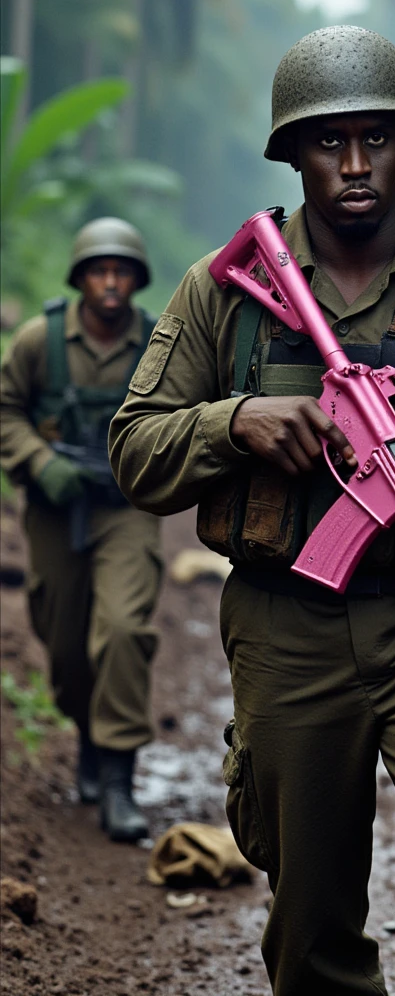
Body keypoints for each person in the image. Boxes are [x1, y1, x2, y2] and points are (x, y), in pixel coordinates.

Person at [109, 25, 395, 996]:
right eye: (329, 141)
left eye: (376, 137)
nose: (357, 163)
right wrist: (235, 421)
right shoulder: (224, 291)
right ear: (292, 153)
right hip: (288, 622)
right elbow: (135, 450)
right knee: (310, 905)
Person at [0, 218, 161, 841]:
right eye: (100, 270)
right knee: (64, 642)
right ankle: (90, 736)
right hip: (52, 508)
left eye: (122, 271)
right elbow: (7, 407)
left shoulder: (156, 343)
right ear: (81, 278)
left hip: (127, 508)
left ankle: (118, 777)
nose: (111, 282)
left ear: (137, 279)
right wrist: (41, 462)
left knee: (122, 628)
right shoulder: (42, 340)